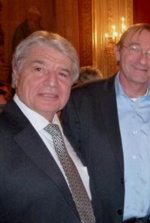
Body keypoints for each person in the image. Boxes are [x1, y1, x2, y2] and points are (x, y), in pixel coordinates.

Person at [61, 23, 150, 223]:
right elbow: (67, 170)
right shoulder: (81, 101)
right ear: (117, 52)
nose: (143, 59)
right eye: (134, 48)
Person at [0, 31, 95, 222]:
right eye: (38, 69)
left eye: (62, 73)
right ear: (16, 73)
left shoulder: (71, 130)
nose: (52, 82)